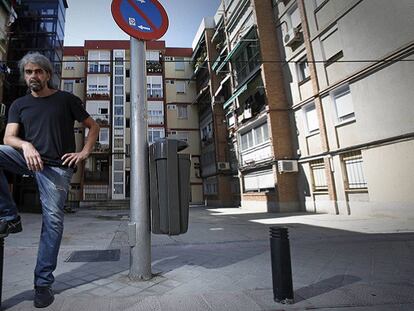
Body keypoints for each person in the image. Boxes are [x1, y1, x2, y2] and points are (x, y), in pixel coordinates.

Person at [0, 52, 99, 308]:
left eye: (38, 71)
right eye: (28, 72)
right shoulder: (19, 105)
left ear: (47, 74)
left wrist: (84, 152)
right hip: (28, 159)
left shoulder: (65, 99)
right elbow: (8, 138)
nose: (33, 76)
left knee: (52, 224)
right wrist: (26, 145)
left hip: (57, 168)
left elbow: (93, 126)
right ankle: (9, 215)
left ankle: (42, 284)